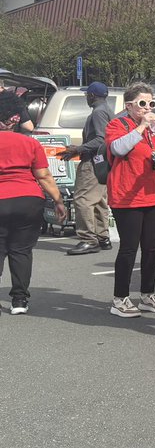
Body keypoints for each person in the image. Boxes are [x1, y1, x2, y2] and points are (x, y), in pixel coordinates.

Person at [105, 83, 155, 318]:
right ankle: (120, 298)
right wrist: (142, 126)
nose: (147, 108)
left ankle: (147, 294)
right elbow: (118, 148)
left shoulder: (154, 127)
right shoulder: (118, 124)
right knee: (128, 248)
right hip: (127, 197)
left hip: (154, 193)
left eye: (150, 103)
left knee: (152, 247)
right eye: (142, 104)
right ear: (129, 106)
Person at [0, 92, 67, 314]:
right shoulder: (30, 143)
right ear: (14, 119)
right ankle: (19, 300)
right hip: (28, 200)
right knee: (21, 251)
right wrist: (58, 201)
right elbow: (44, 176)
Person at [59, 82, 114, 255]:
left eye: (86, 95)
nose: (86, 98)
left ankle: (88, 240)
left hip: (92, 162)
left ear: (92, 96)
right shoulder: (105, 110)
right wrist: (78, 149)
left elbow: (100, 139)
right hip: (102, 162)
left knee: (82, 199)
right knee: (97, 200)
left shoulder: (98, 113)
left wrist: (78, 149)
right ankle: (102, 237)